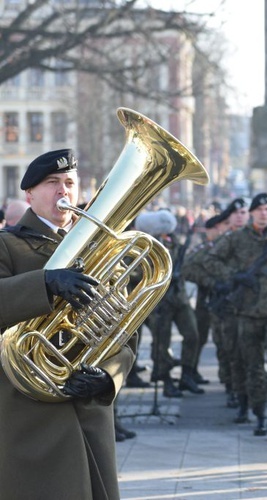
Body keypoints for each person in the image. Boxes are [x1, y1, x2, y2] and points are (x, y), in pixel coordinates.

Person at [0, 149, 136, 499]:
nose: (64, 191)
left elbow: (124, 329)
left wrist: (110, 376)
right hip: (27, 407)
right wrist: (43, 284)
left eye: (70, 183)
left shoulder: (100, 250)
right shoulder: (7, 244)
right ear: (29, 194)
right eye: (52, 183)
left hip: (87, 408)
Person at [206, 192, 267, 435]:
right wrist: (233, 276)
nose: (263, 213)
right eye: (259, 209)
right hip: (247, 311)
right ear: (252, 213)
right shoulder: (238, 238)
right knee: (253, 365)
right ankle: (259, 414)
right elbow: (211, 260)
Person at [137, 209, 204, 398]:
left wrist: (181, 273)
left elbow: (186, 266)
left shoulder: (176, 243)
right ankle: (165, 379)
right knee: (161, 342)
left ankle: (187, 374)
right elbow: (136, 272)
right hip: (159, 300)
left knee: (192, 334)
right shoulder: (146, 245)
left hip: (180, 298)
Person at [183, 209, 235, 406]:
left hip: (226, 302)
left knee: (223, 342)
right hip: (207, 302)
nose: (226, 230)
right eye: (223, 226)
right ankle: (190, 371)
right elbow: (188, 269)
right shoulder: (204, 250)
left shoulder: (228, 246)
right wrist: (210, 281)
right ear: (212, 230)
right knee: (200, 337)